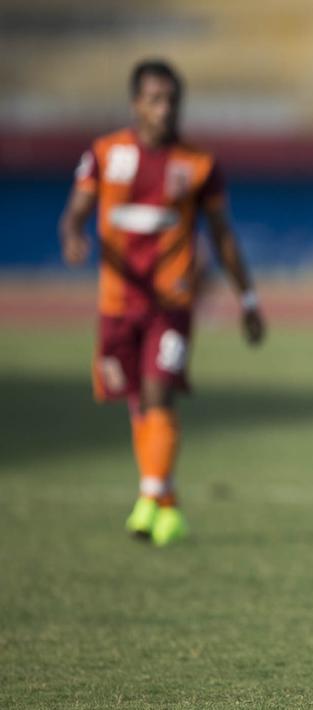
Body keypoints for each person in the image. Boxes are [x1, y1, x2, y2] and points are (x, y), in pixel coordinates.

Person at [58, 59, 264, 546]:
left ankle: (149, 498)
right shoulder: (105, 154)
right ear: (136, 104)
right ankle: (165, 504)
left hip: (171, 303)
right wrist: (72, 237)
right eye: (154, 99)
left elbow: (222, 236)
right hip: (116, 303)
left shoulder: (198, 165)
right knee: (136, 402)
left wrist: (248, 298)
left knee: (158, 394)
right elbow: (75, 213)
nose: (164, 109)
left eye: (172, 100)